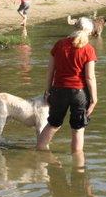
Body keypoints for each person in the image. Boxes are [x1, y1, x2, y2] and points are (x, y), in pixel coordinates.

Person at [36, 25, 98, 153]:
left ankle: (40, 155)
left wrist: (47, 91)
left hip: (58, 90)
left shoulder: (59, 45)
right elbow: (90, 77)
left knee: (53, 124)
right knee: (78, 129)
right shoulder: (88, 49)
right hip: (79, 93)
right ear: (89, 33)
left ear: (75, 29)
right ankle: (78, 162)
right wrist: (94, 99)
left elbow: (50, 71)